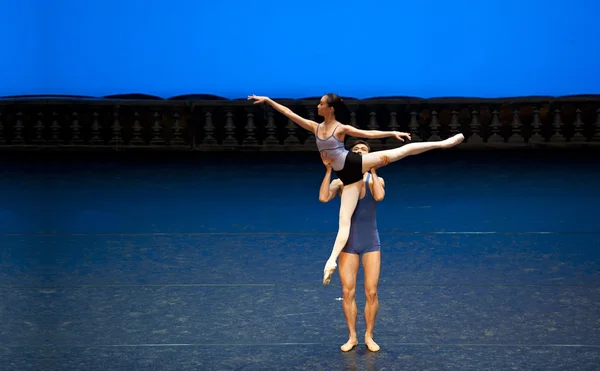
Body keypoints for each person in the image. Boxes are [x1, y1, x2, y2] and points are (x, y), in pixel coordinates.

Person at [248, 93, 464, 284]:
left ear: (330, 108)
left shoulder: (340, 128)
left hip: (353, 164)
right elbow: (289, 114)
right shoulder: (315, 127)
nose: (317, 106)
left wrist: (392, 132)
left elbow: (367, 133)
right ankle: (330, 262)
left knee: (401, 152)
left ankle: (444, 143)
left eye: (321, 104)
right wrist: (268, 101)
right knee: (344, 224)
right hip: (347, 178)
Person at [319, 139, 384, 353]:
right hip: (349, 244)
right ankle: (352, 336)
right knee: (348, 292)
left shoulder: (377, 179)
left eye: (363, 150)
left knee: (371, 292)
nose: (358, 152)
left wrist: (373, 170)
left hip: (370, 242)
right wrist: (329, 171)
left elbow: (379, 196)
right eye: (354, 150)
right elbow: (323, 198)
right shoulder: (341, 182)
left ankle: (369, 336)